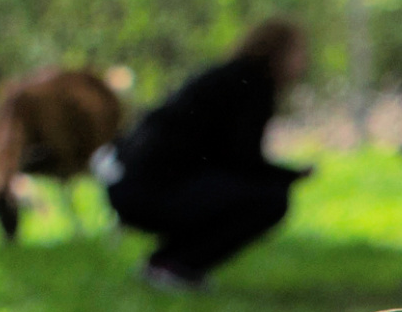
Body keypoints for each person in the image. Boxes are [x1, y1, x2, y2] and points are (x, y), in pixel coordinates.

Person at [105, 15, 310, 292]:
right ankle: (175, 264)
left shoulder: (228, 78)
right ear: (280, 52)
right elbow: (240, 158)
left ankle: (168, 262)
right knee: (270, 198)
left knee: (249, 192)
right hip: (150, 192)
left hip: (128, 186)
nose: (303, 62)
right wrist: (288, 175)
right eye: (299, 52)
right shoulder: (251, 85)